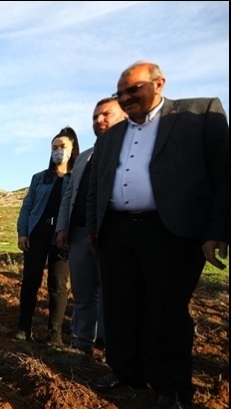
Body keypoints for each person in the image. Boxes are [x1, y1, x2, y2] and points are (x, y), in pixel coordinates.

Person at [85, 62, 229, 409]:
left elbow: (224, 174)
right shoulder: (111, 136)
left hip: (171, 231)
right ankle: (126, 370)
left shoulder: (200, 112)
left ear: (159, 83)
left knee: (165, 311)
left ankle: (171, 388)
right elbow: (96, 186)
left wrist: (217, 230)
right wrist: (94, 227)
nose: (126, 97)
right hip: (117, 231)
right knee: (120, 307)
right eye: (121, 93)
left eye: (133, 89)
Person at [54, 98, 126, 355]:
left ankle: (110, 347)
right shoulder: (83, 158)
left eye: (106, 114)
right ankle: (81, 342)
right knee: (83, 292)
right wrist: (63, 228)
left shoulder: (128, 152)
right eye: (95, 116)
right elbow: (68, 197)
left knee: (113, 293)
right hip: (79, 233)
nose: (99, 120)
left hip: (112, 233)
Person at [14, 127, 80, 345]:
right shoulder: (39, 178)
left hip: (62, 237)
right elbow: (27, 206)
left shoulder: (77, 179)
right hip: (37, 233)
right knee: (30, 281)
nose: (58, 151)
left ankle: (54, 334)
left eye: (62, 147)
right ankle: (24, 328)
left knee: (58, 284)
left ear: (72, 149)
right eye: (54, 147)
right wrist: (23, 232)